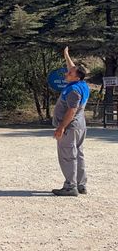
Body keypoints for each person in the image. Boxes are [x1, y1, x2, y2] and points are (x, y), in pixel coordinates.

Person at [52, 47, 90, 196]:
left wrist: (61, 127)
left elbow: (71, 110)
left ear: (76, 77)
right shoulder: (82, 85)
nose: (67, 73)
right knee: (78, 154)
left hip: (70, 127)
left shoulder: (73, 90)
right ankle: (81, 185)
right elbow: (73, 68)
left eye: (70, 73)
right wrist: (66, 55)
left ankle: (70, 186)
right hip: (80, 126)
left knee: (68, 155)